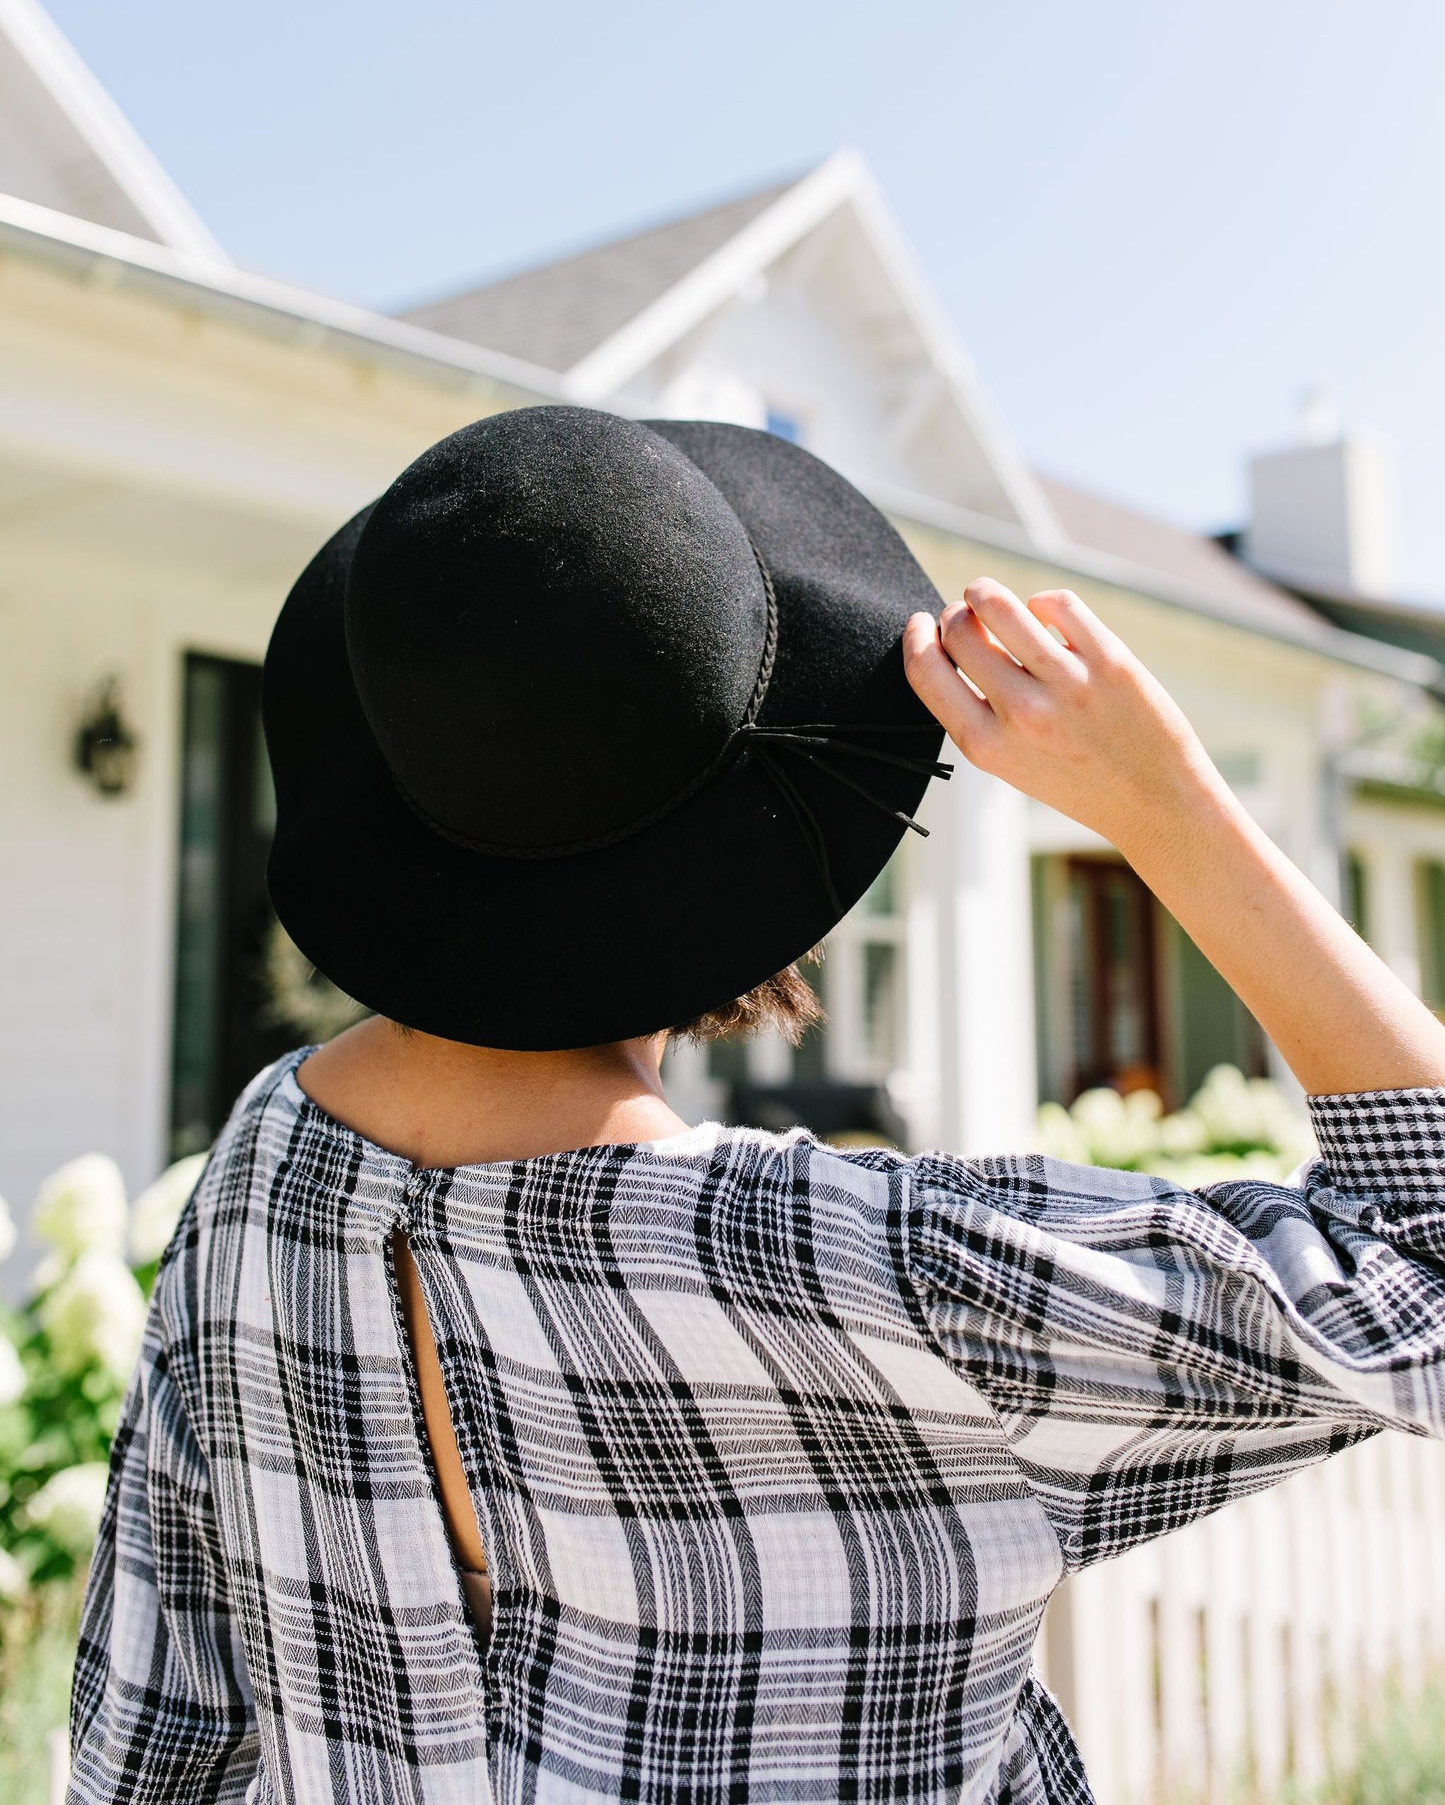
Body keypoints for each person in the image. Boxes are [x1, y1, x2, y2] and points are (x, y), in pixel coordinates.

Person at [69, 407, 1445, 1805]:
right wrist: (1167, 810)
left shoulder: (259, 1170)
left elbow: (150, 1743)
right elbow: (1430, 1257)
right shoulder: (873, 1276)